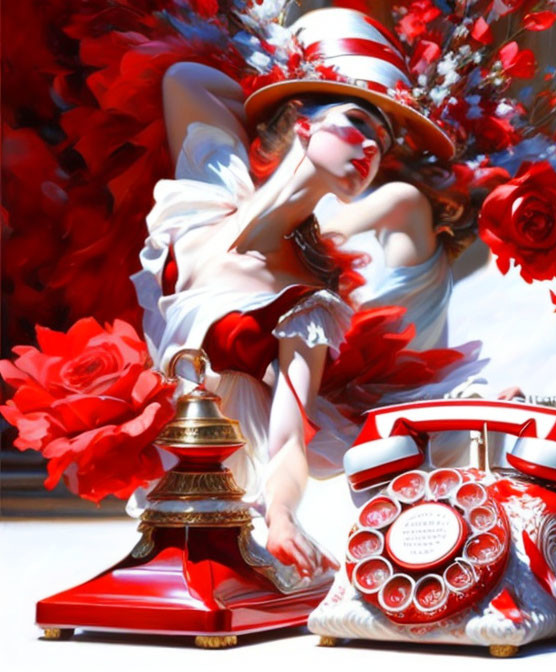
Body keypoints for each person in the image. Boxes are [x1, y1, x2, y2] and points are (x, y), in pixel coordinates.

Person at [130, 9, 457, 575]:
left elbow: (287, 441)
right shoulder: (210, 191)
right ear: (303, 123)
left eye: (381, 142)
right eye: (357, 122)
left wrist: (281, 516)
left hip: (233, 471)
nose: (371, 149)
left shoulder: (307, 301)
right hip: (155, 434)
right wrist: (292, 80)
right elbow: (185, 79)